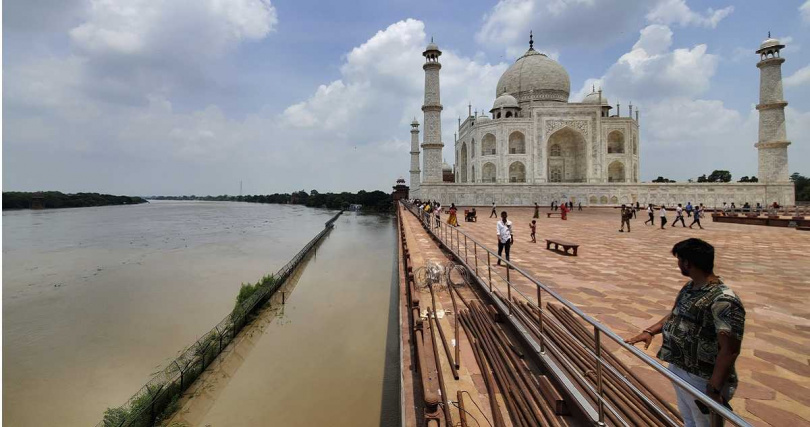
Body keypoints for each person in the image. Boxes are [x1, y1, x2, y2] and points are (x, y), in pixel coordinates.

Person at [625, 238, 745, 427]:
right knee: (689, 418)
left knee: (704, 422)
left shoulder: (723, 300)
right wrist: (650, 331)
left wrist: (714, 387)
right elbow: (677, 314)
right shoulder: (691, 287)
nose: (678, 264)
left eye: (679, 259)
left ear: (688, 263)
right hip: (680, 367)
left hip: (702, 377)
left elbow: (729, 349)